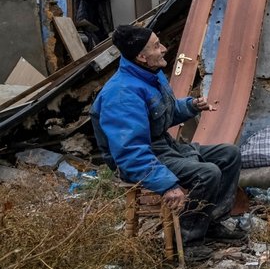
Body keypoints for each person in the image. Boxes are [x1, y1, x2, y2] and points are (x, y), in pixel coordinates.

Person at [91, 24, 243, 245]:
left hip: (164, 147)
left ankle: (212, 223)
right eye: (156, 46)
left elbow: (160, 116)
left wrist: (191, 106)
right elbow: (130, 153)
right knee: (207, 173)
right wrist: (166, 184)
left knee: (229, 154)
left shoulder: (150, 75)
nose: (163, 48)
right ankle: (189, 241)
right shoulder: (122, 94)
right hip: (142, 159)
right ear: (142, 56)